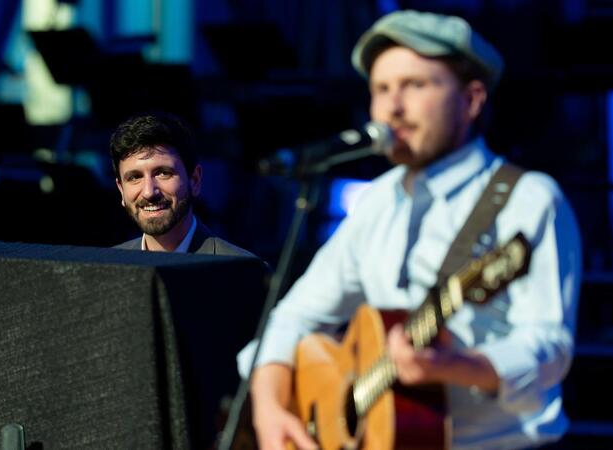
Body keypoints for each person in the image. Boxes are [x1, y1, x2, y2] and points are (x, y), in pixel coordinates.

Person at [237, 10, 582, 450]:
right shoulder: (377, 200)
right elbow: (294, 317)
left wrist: (455, 366)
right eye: (381, 89)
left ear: (472, 99)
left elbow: (550, 347)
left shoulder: (528, 198)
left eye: (415, 85)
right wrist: (268, 409)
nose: (391, 108)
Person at [110, 113, 255, 256]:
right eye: (135, 177)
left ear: (195, 180)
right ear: (121, 190)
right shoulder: (106, 269)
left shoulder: (243, 271)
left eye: (163, 173)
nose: (149, 192)